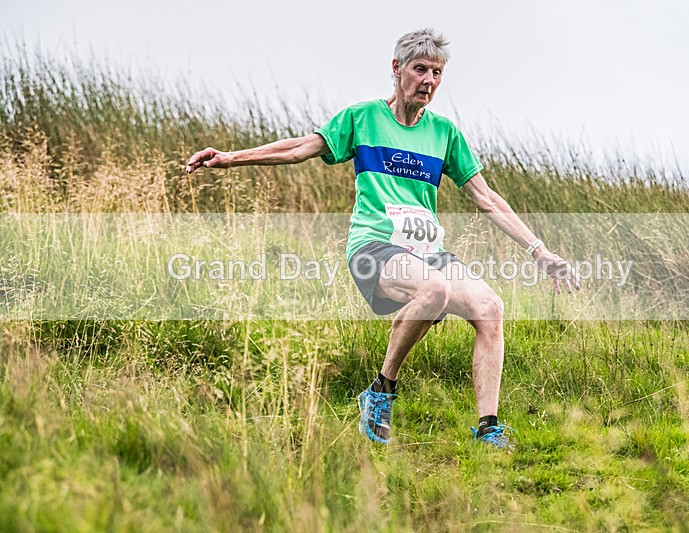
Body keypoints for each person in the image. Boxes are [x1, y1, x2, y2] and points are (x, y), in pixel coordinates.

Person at [186, 28, 579, 449]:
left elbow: (487, 199)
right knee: (435, 290)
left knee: (490, 308)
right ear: (397, 69)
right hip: (374, 248)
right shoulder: (362, 118)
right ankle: (381, 390)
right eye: (420, 69)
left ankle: (488, 429)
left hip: (427, 253)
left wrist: (541, 252)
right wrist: (230, 158)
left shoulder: (444, 133)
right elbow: (301, 148)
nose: (428, 81)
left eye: (437, 73)